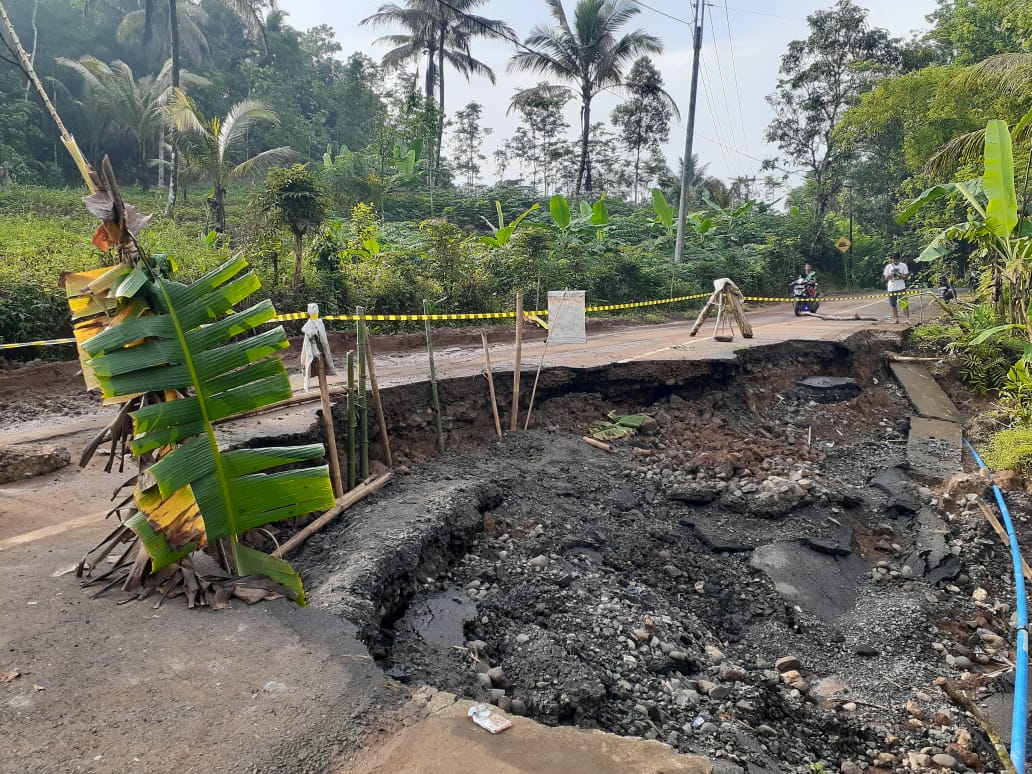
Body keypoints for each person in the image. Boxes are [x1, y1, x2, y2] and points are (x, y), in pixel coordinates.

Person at [882, 253, 910, 323]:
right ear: (892, 260)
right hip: (891, 288)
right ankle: (896, 319)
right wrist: (890, 275)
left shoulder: (903, 266)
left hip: (901, 287)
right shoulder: (888, 267)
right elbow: (885, 278)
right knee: (893, 304)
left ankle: (907, 319)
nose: (895, 262)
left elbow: (906, 277)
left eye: (896, 261)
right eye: (894, 261)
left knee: (904, 303)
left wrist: (900, 276)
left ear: (899, 260)